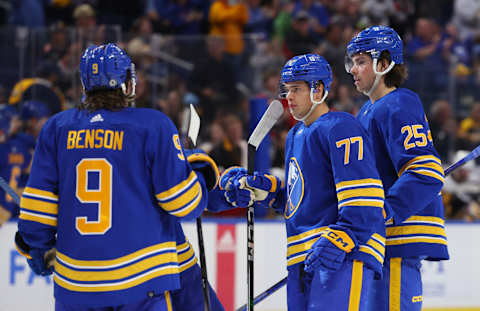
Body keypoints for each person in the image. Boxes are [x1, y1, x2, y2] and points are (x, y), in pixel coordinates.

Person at [14, 43, 220, 311]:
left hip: (76, 286)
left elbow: (37, 205)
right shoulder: (152, 125)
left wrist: (37, 248)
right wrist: (201, 174)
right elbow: (184, 204)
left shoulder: (57, 127)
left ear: (85, 84)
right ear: (127, 83)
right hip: (141, 283)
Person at [223, 54, 386, 310]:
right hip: (303, 256)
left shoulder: (341, 126)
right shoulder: (295, 135)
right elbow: (300, 196)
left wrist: (344, 236)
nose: (289, 97)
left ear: (319, 89)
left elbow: (364, 194)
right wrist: (264, 189)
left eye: (297, 89)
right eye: (286, 90)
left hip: (341, 251)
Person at [345, 25, 449, 311]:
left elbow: (425, 171)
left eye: (361, 61)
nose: (353, 70)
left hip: (396, 237)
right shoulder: (368, 110)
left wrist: (384, 211)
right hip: (379, 242)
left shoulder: (399, 103)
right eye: (352, 62)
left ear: (384, 63)